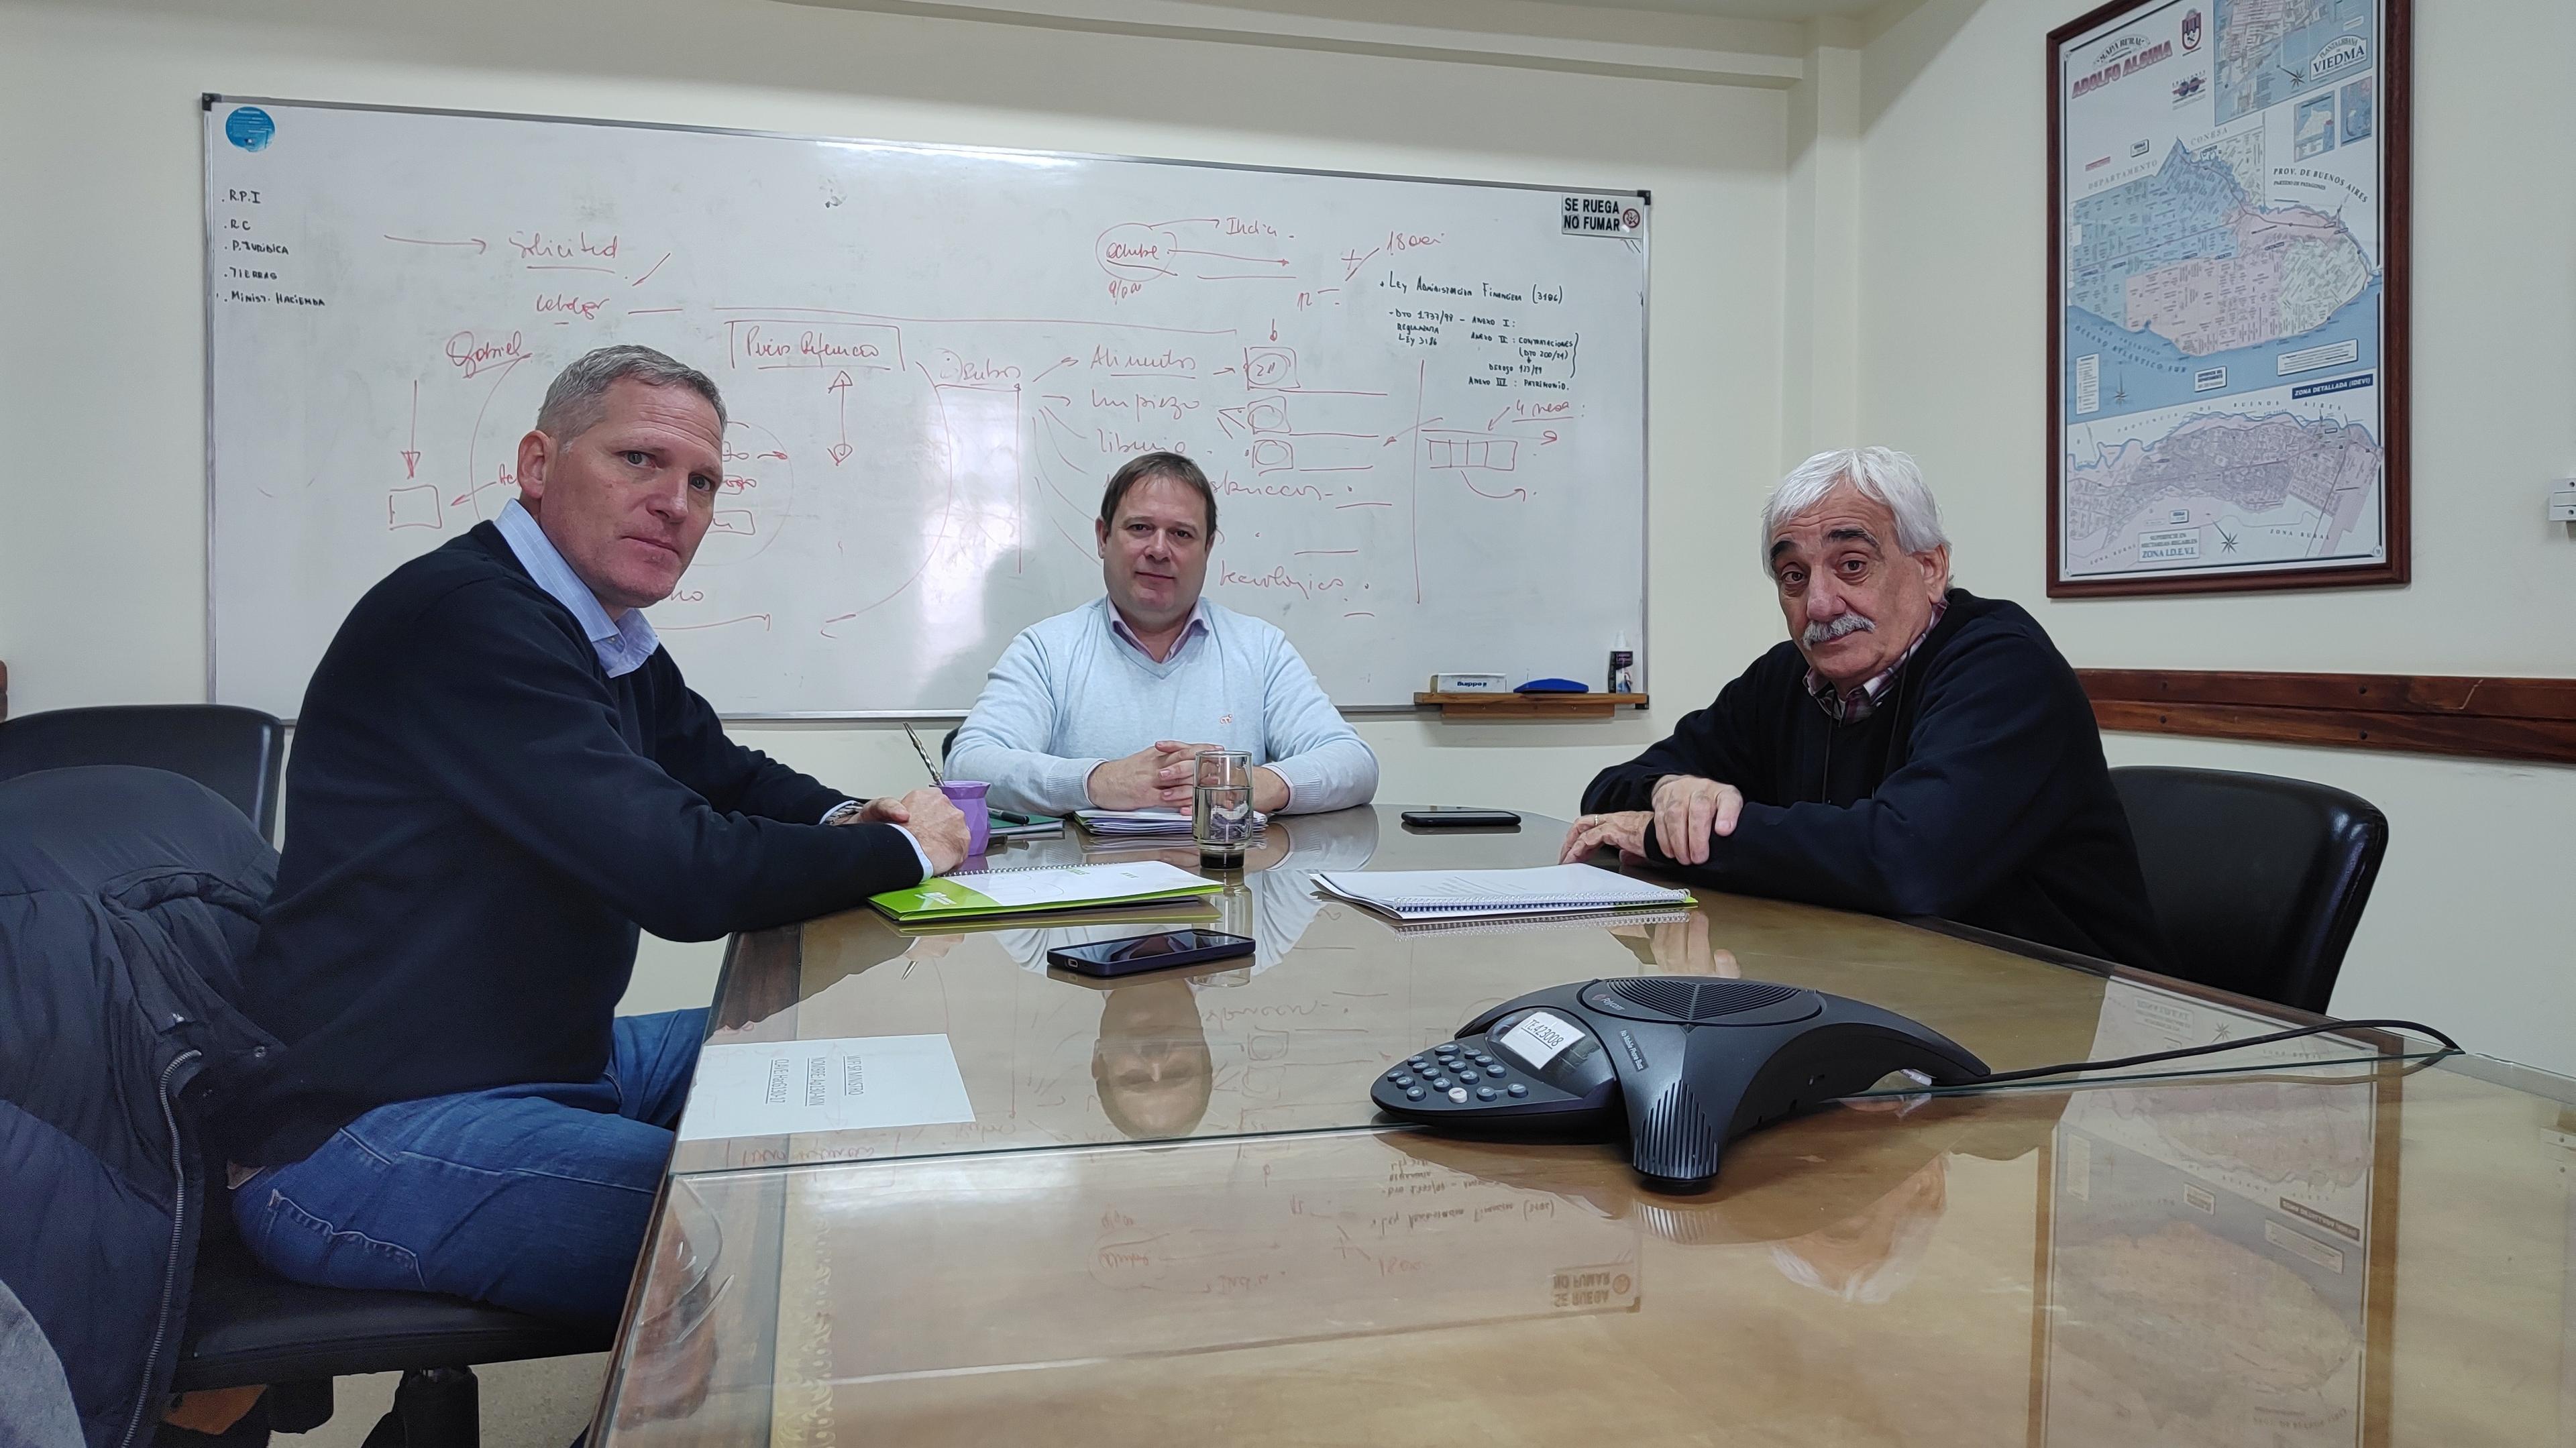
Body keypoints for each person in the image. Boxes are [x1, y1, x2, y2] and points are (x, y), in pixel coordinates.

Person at [207, 345, 968, 1329]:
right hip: (363, 1128)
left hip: (555, 1060)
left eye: (702, 481)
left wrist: (858, 816)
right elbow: (683, 872)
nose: (675, 503)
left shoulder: (599, 631)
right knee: (765, 1223)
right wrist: (910, 851)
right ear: (538, 463)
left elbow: (727, 774)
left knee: (868, 1051)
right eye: (638, 459)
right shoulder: (468, 620)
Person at [1561, 447, 2165, 969]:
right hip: (1886, 977)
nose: (1820, 604)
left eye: (1852, 565)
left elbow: (1906, 860)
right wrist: (1672, 791)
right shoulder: (1786, 676)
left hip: (2073, 1008)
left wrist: (1670, 837)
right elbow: (1610, 793)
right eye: (1793, 576)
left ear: (1930, 569)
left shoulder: (2005, 667)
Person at [947, 451, 1378, 818]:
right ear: (1103, 537)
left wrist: (1252, 783)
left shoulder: (1260, 649)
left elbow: (1354, 763)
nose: (1158, 549)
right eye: (1139, 528)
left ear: (1207, 548)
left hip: (1227, 882)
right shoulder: (1046, 650)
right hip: (1091, 884)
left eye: (1181, 534)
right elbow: (968, 765)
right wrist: (1098, 781)